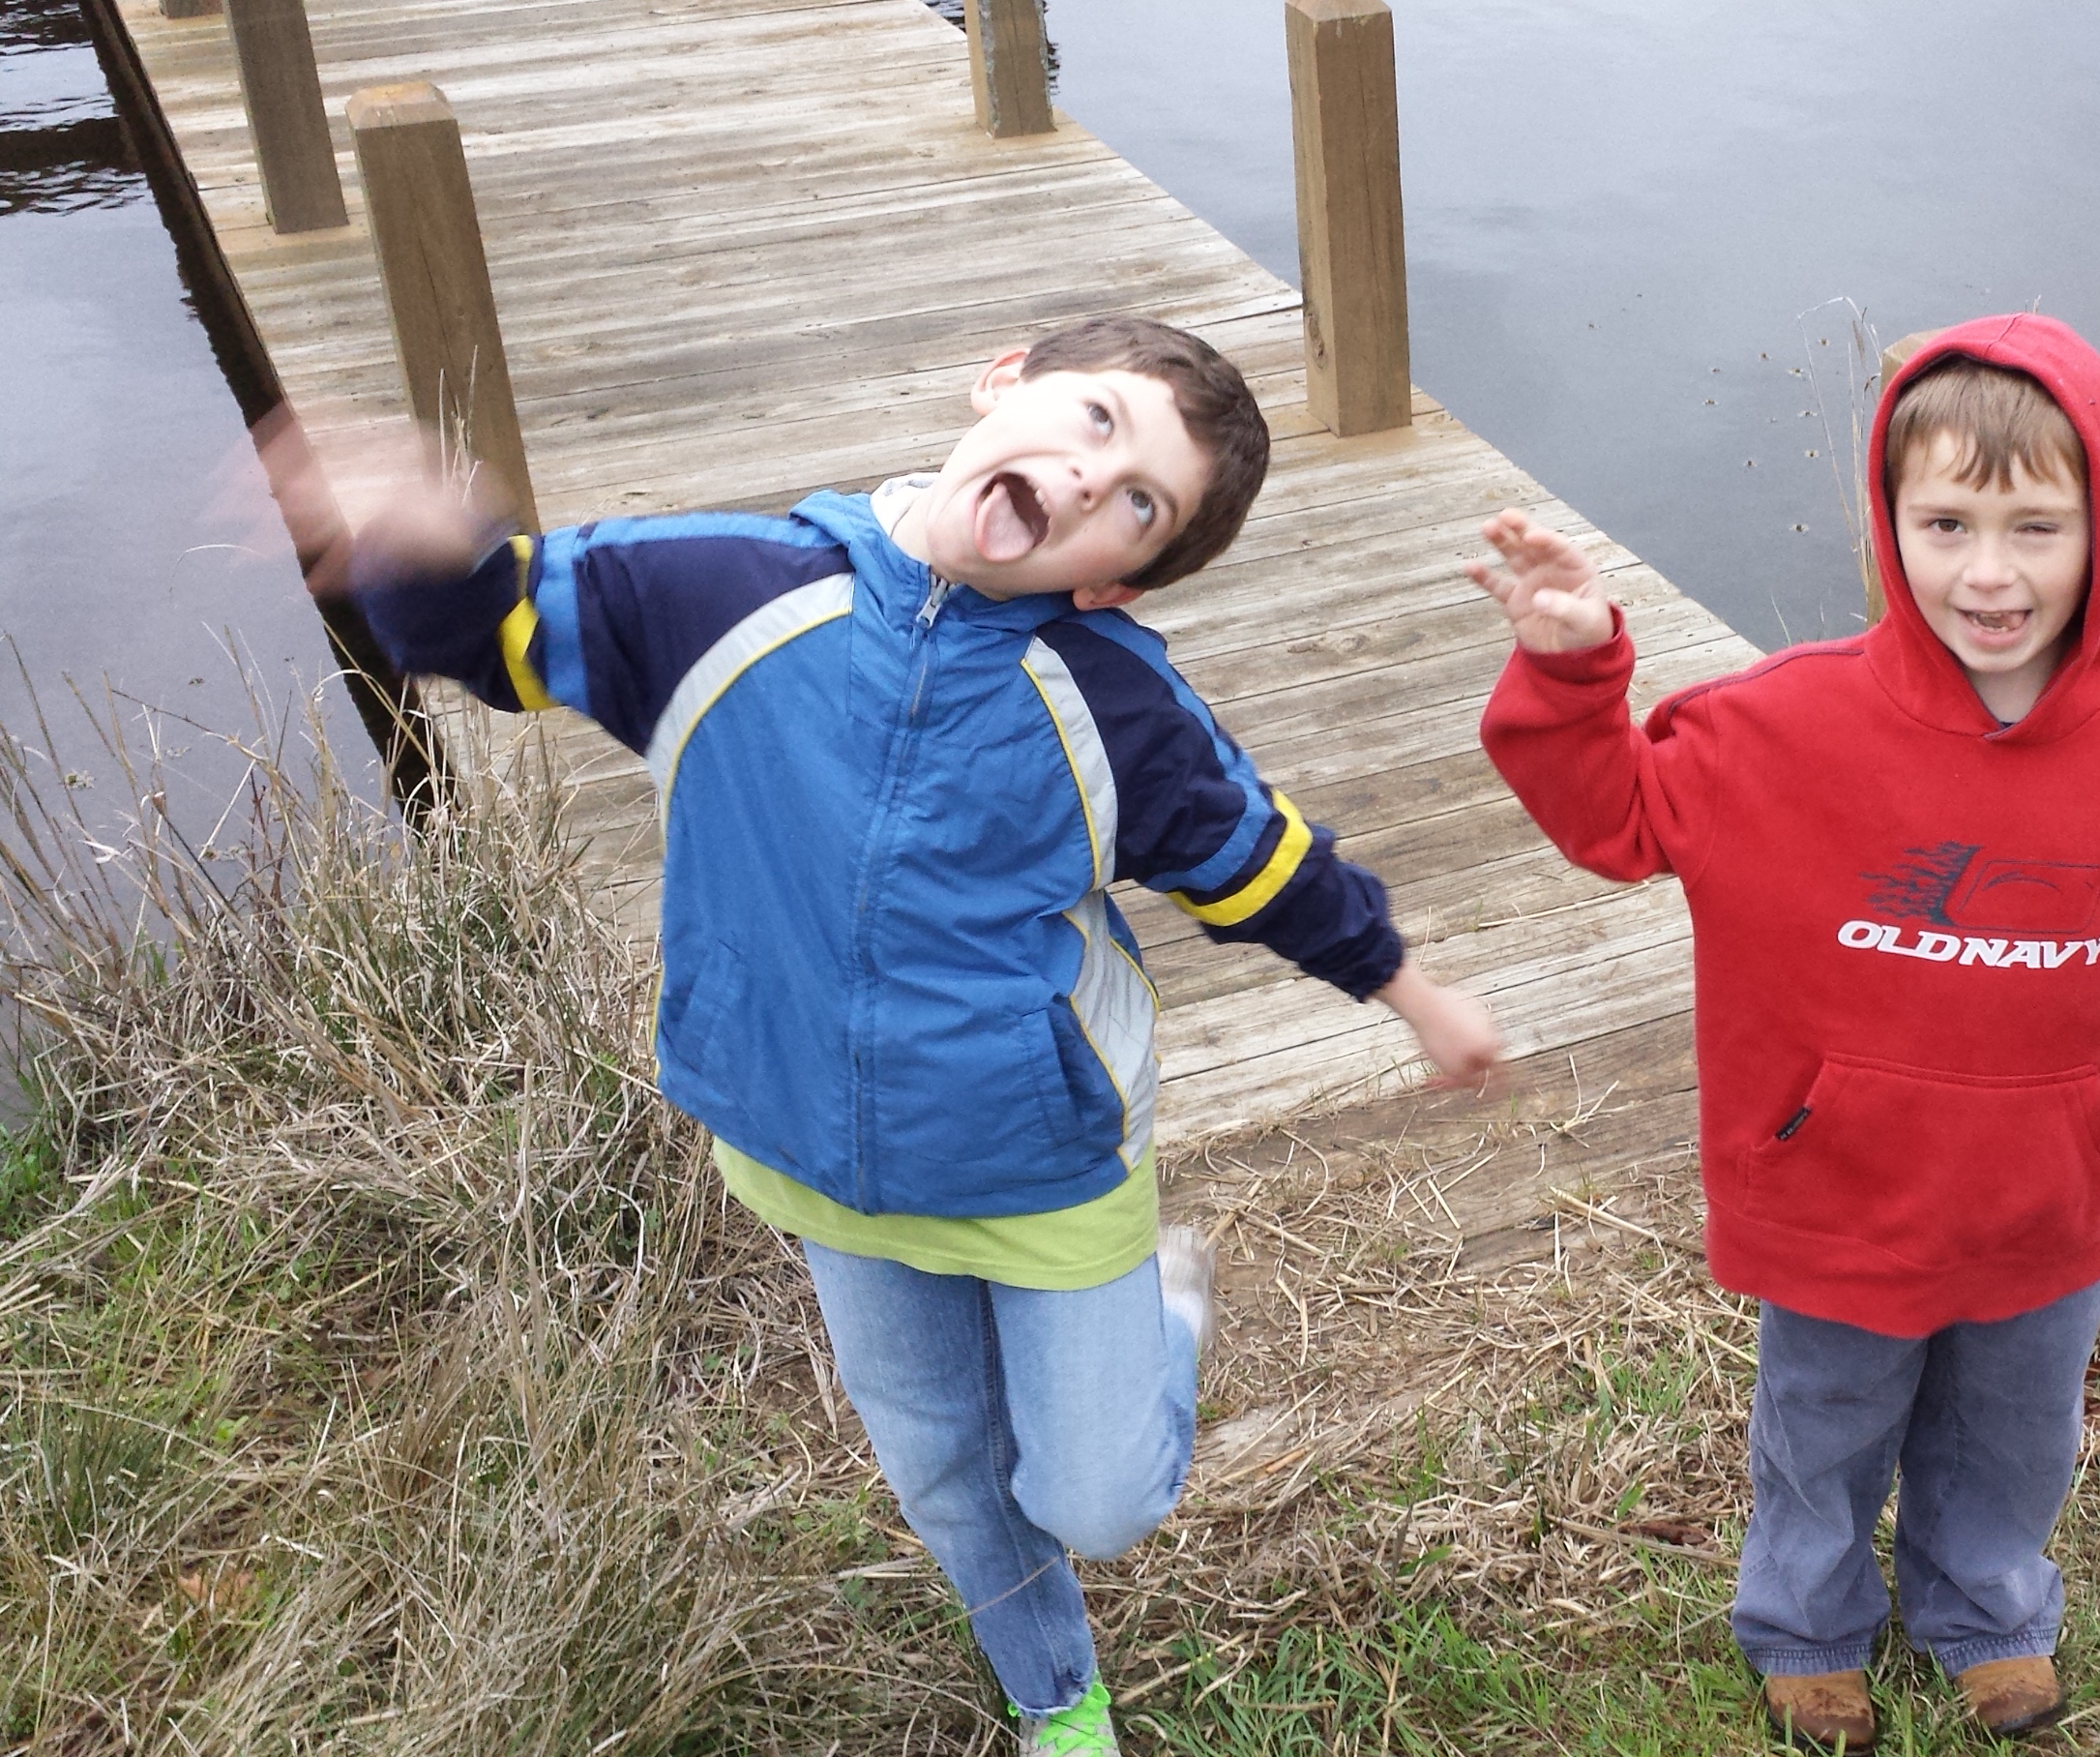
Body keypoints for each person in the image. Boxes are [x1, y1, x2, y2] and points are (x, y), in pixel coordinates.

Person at [288, 315, 1504, 1754]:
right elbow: (495, 635)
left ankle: (1163, 1325)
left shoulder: (1114, 704)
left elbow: (1260, 865)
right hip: (814, 1147)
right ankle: (1057, 1694)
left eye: (1139, 504)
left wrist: (1408, 987)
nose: (1091, 478)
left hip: (1039, 1161)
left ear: (1110, 582)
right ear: (1006, 381)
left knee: (1097, 1498)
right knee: (944, 1475)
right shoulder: (725, 589)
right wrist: (417, 546)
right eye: (1097, 421)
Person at [1466, 313, 2100, 1748]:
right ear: (1890, 520)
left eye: (2039, 527)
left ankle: (1985, 1611)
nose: (1990, 573)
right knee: (1824, 1429)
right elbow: (1614, 817)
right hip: (1840, 1193)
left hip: (2048, 1200)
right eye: (1947, 525)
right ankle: (1806, 1626)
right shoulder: (1781, 724)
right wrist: (1570, 670)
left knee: (2014, 1437)